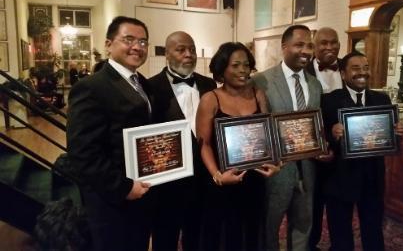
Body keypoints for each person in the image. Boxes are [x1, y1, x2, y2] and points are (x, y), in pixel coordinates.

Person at [66, 16, 153, 251]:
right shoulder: (91, 87)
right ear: (108, 44)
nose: (137, 47)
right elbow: (83, 152)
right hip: (112, 201)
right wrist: (123, 188)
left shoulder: (144, 84)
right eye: (129, 39)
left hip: (142, 193)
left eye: (143, 42)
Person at [196, 42, 280, 251]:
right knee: (225, 236)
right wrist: (217, 175)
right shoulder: (210, 99)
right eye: (235, 65)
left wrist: (276, 163)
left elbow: (269, 136)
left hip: (255, 179)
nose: (242, 70)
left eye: (246, 65)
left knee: (252, 234)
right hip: (223, 181)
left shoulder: (258, 94)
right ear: (222, 68)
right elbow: (204, 144)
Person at [252, 25, 328, 250]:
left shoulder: (315, 85)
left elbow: (316, 124)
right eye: (299, 44)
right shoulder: (261, 81)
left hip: (308, 169)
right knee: (268, 228)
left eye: (309, 45)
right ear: (284, 47)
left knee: (304, 224)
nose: (306, 50)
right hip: (275, 170)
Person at [148, 31, 217, 251]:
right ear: (167, 54)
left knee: (198, 234)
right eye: (181, 49)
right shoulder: (150, 87)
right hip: (168, 181)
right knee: (165, 235)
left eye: (192, 49)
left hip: (204, 177)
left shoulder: (209, 84)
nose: (189, 54)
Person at [321, 51, 390, 251]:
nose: (363, 72)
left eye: (366, 68)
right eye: (356, 68)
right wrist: (332, 133)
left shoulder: (382, 99)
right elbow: (320, 135)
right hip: (340, 177)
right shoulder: (329, 101)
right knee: (340, 231)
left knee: (373, 228)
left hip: (372, 177)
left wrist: (396, 132)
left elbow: (388, 136)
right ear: (343, 74)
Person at [306, 26, 343, 251]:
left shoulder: (349, 67)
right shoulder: (304, 71)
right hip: (313, 150)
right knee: (312, 204)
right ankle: (311, 245)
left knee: (340, 203)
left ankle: (339, 245)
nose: (329, 47)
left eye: (333, 42)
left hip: (342, 148)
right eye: (323, 43)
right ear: (314, 46)